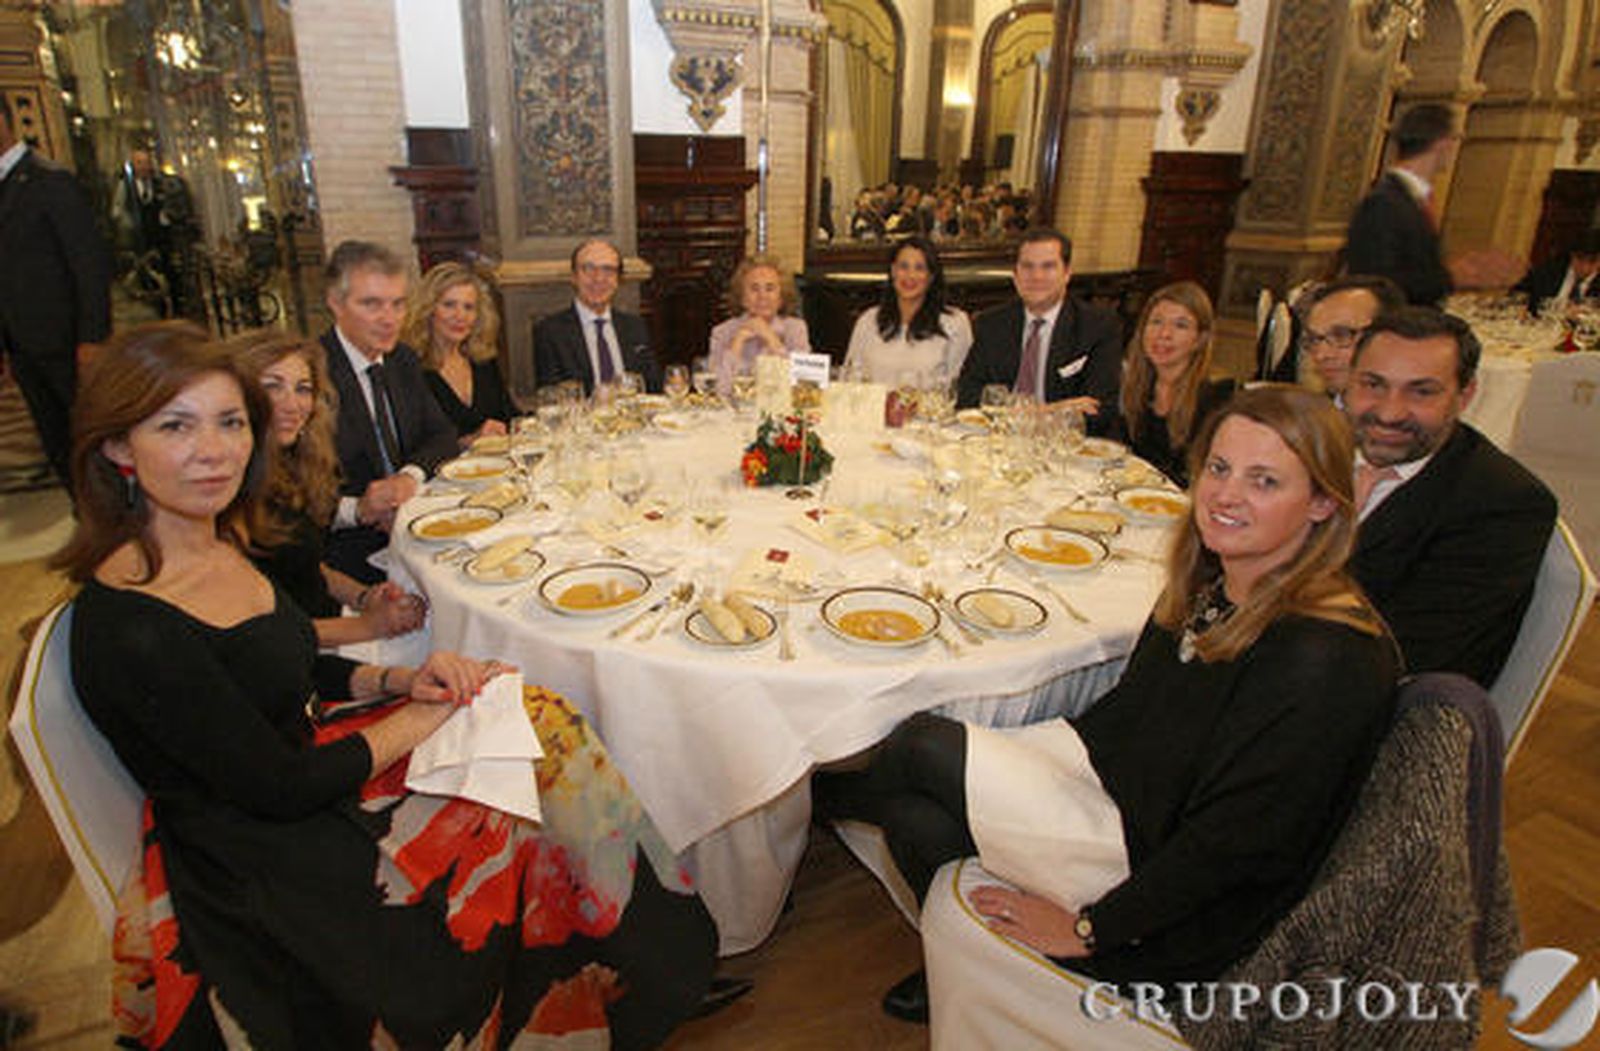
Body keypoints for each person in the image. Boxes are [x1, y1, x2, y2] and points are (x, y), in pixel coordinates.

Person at [55, 322, 718, 1047]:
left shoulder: (213, 538)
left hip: (304, 766)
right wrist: (422, 716)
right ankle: (609, 975)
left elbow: (287, 654)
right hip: (265, 854)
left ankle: (643, 960)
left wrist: (403, 674)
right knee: (527, 784)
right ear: (117, 445)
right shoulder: (129, 622)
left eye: (229, 422)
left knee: (543, 718)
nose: (213, 449)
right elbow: (278, 785)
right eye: (176, 426)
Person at [814, 385, 1397, 1023]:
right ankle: (965, 963)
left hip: (1163, 890)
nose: (1226, 495)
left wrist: (1094, 928)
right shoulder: (1217, 579)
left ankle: (827, 801)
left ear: (1321, 503)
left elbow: (1232, 850)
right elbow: (1134, 713)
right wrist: (1036, 760)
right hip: (1119, 788)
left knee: (920, 744)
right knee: (909, 814)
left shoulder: (1321, 659)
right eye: (1220, 469)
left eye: (1264, 482)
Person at [1345, 306, 1556, 685]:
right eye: (1373, 384)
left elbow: (1402, 654)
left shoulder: (1503, 504)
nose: (1390, 413)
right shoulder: (1313, 448)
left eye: (1421, 391)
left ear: (1465, 395)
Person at [229, 329, 427, 648]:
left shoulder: (288, 467)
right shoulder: (228, 493)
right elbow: (260, 633)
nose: (292, 404)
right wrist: (369, 626)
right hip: (304, 654)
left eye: (302, 389)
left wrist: (364, 596)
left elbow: (305, 568)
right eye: (272, 386)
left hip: (333, 622)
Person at [319, 240, 459, 584]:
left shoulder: (402, 360)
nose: (390, 319)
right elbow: (287, 496)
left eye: (398, 304)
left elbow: (442, 435)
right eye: (372, 304)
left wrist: (407, 478)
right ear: (335, 304)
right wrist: (359, 509)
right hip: (346, 554)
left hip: (415, 527)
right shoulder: (310, 374)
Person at [0, 95, 113, 486]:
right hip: (23, 344)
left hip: (66, 340)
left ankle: (113, 516)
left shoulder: (49, 181)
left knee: (90, 435)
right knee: (55, 439)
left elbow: (88, 263)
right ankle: (85, 517)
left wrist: (93, 338)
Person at [955, 228, 1123, 435]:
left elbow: (1100, 410)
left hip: (1061, 446)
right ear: (1015, 275)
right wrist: (1051, 410)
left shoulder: (1097, 326)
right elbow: (968, 394)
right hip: (998, 439)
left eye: (1048, 266)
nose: (1037, 276)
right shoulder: (992, 323)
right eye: (1027, 267)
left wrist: (1023, 415)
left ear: (1067, 273)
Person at [1116, 280, 1235, 486]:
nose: (1164, 334)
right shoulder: (1136, 385)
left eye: (1181, 325)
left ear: (1200, 339)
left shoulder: (1216, 398)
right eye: (1156, 322)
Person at [1343, 103, 1458, 306]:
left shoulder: (1411, 198)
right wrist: (1451, 276)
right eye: (1454, 139)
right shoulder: (1383, 203)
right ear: (1442, 143)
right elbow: (1377, 282)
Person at [402, 262, 516, 446]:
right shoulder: (408, 368)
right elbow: (411, 447)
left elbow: (511, 416)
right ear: (428, 310)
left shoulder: (483, 360)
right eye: (449, 305)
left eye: (469, 307)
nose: (460, 316)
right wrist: (467, 442)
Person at [533, 239, 661, 396]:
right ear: (574, 276)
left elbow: (653, 387)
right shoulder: (550, 332)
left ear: (618, 280)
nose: (599, 278)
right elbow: (551, 397)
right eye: (588, 268)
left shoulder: (635, 326)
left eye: (608, 270)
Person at [843, 236, 974, 386]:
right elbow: (849, 379)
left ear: (931, 276)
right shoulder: (868, 321)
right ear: (893, 271)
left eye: (919, 268)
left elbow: (959, 386)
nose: (910, 276)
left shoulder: (955, 323)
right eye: (903, 267)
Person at [708, 254, 812, 396]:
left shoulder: (795, 329)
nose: (762, 296)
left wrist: (772, 339)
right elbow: (718, 390)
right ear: (743, 298)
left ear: (780, 298)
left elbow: (804, 385)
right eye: (754, 289)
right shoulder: (722, 332)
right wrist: (736, 343)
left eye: (770, 288)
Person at [1298, 274, 1405, 407]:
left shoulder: (1423, 421)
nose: (1321, 355)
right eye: (1313, 339)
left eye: (1341, 336)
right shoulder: (1315, 420)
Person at [1513, 228, 1600, 311]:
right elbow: (1515, 298)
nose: (1585, 267)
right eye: (1580, 259)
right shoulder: (1547, 272)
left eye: (1592, 261)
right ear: (1571, 255)